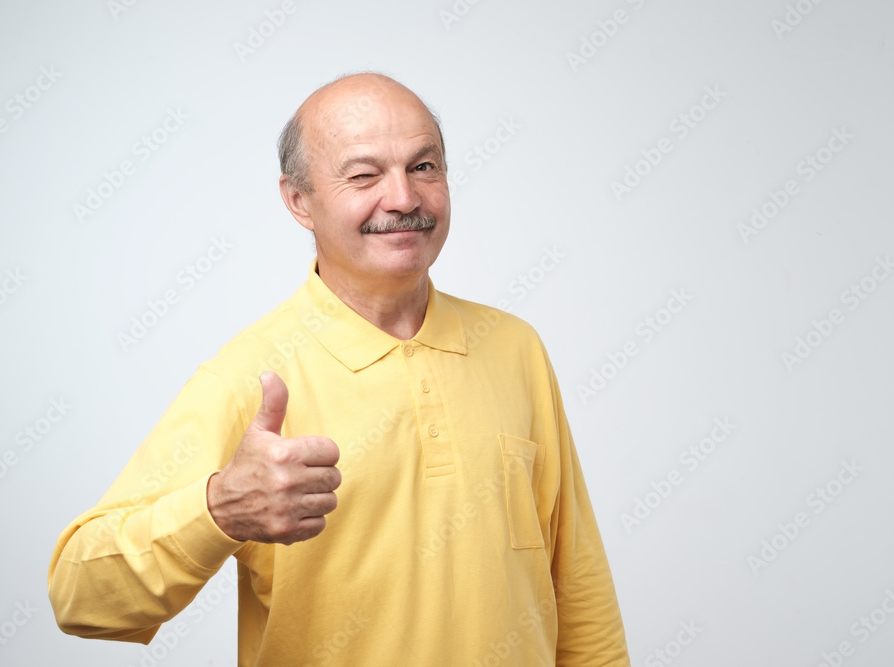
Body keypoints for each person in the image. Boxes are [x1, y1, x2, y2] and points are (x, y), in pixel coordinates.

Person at [48, 72, 630, 666]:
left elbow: (578, 583)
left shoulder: (514, 347)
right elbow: (78, 595)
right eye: (364, 175)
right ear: (299, 201)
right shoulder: (249, 376)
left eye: (424, 167)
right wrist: (219, 509)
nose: (404, 198)